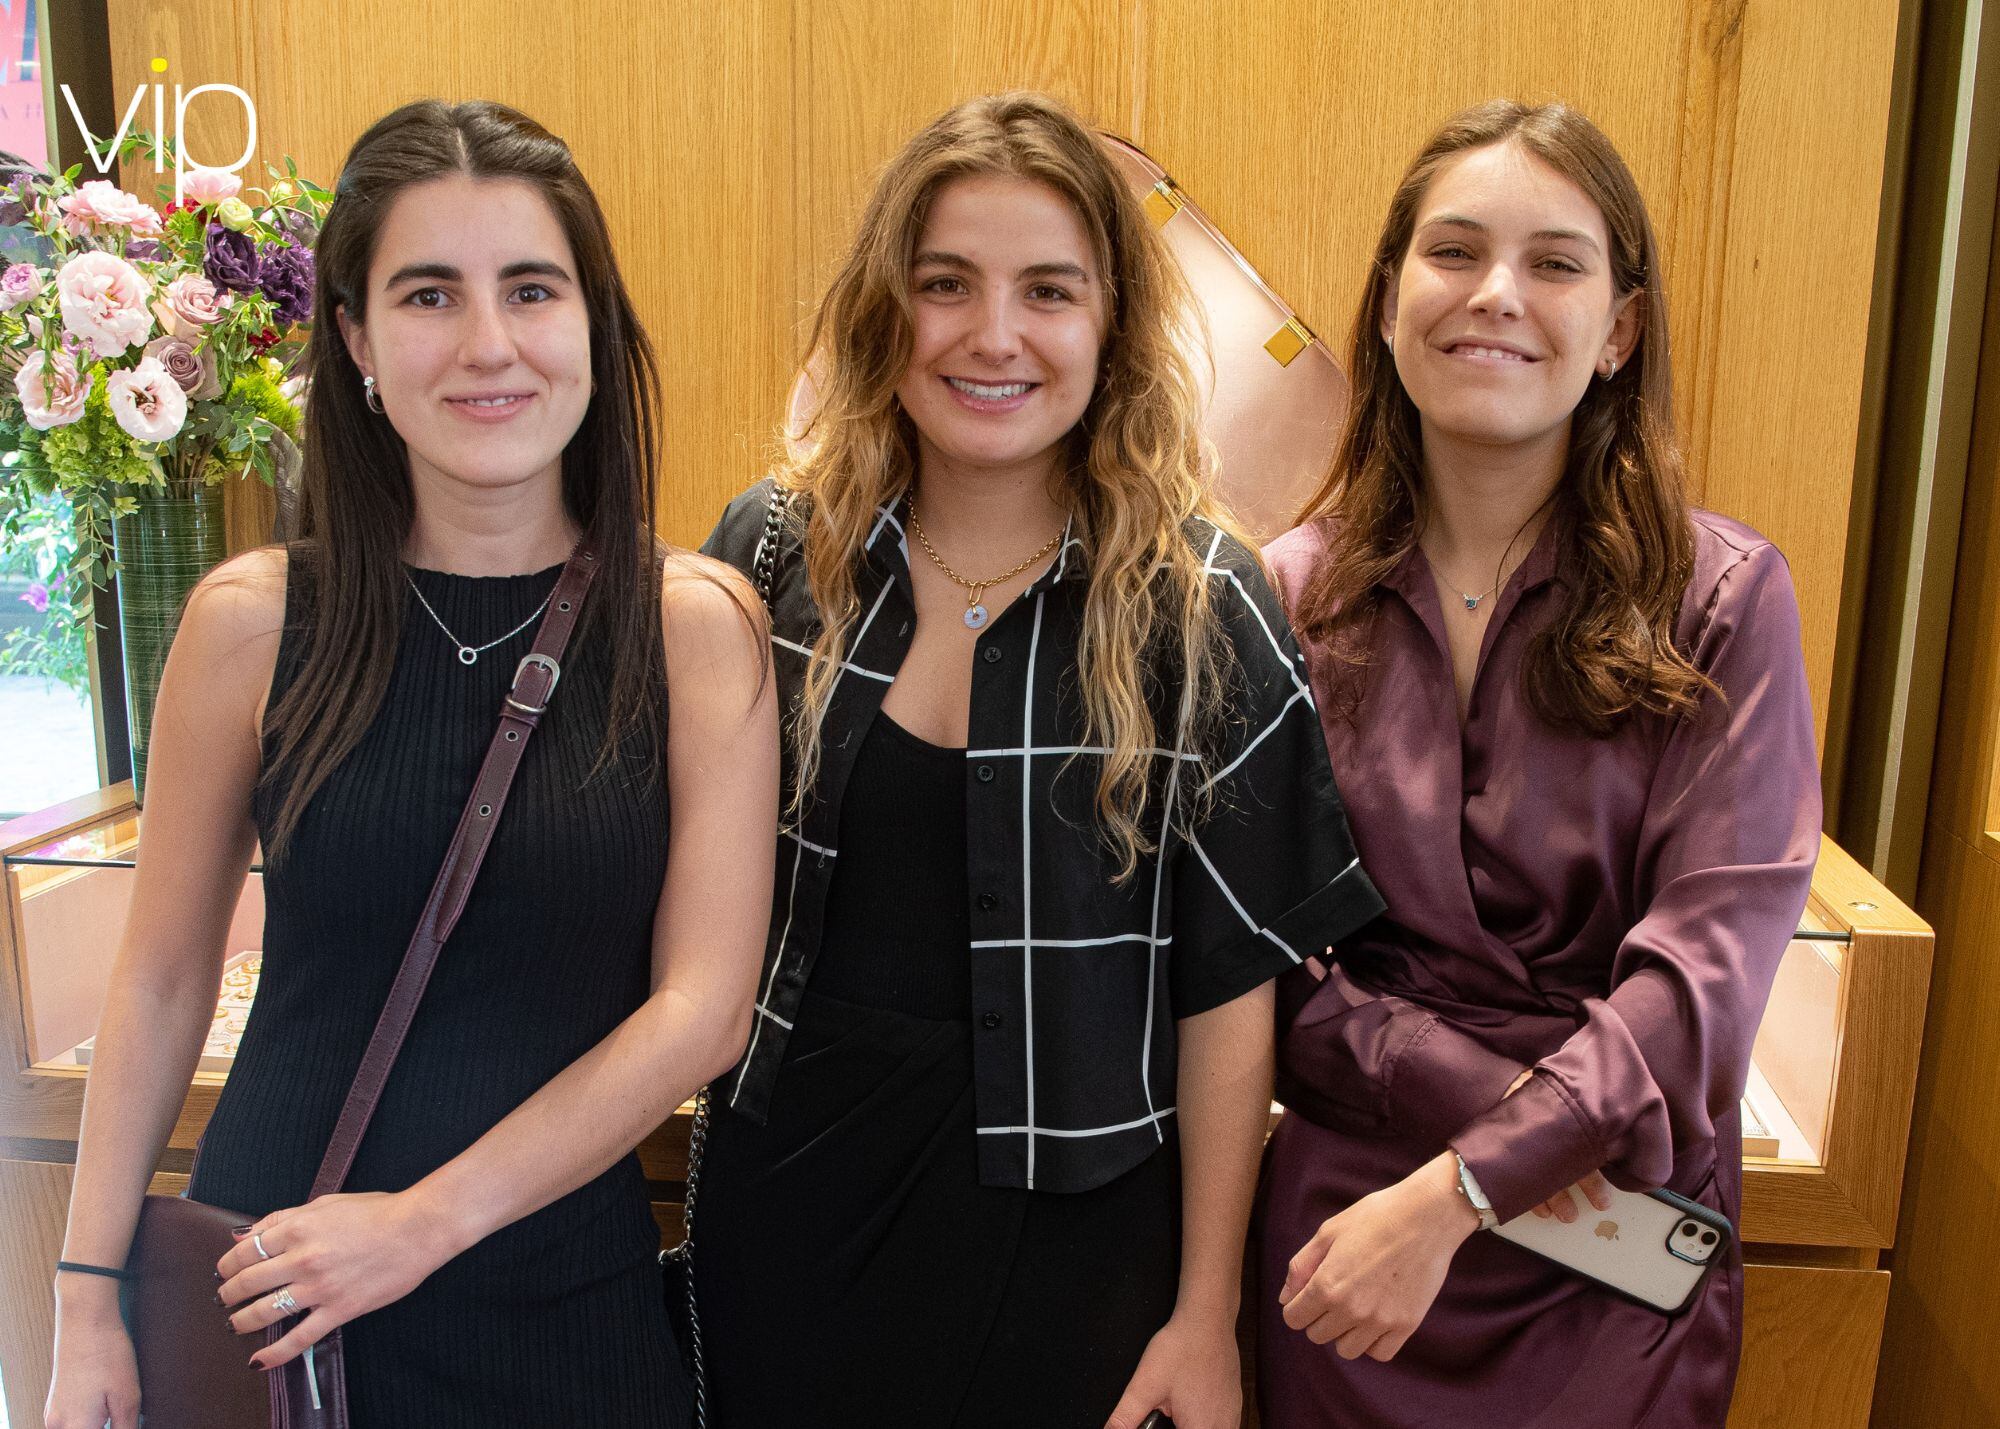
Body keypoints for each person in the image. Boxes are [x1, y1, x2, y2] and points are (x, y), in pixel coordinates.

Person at [43, 100, 777, 1429]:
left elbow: (702, 1010)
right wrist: (84, 1297)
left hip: (562, 1308)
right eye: (429, 294)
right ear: (358, 339)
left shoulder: (696, 630)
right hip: (275, 1301)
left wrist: (419, 1225)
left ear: (595, 330)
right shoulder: (248, 624)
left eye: (533, 289)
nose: (488, 343)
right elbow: (158, 979)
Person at [697, 91, 1382, 1429]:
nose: (993, 334)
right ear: (883, 307)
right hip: (792, 1213)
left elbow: (1229, 1001)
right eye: (944, 282)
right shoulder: (776, 555)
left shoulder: (1201, 595)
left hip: (1083, 1252)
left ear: (1111, 324)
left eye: (1048, 290)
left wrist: (1204, 1315)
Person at [1255, 99, 1821, 1427]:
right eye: (1452, 253)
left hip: (1608, 1249)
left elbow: (1702, 986)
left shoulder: (1726, 601)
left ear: (1619, 329)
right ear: (1390, 304)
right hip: (1347, 1247)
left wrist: (1464, 1183)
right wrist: (1483, 1112)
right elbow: (1248, 962)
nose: (1495, 296)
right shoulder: (1283, 597)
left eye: (1556, 263)